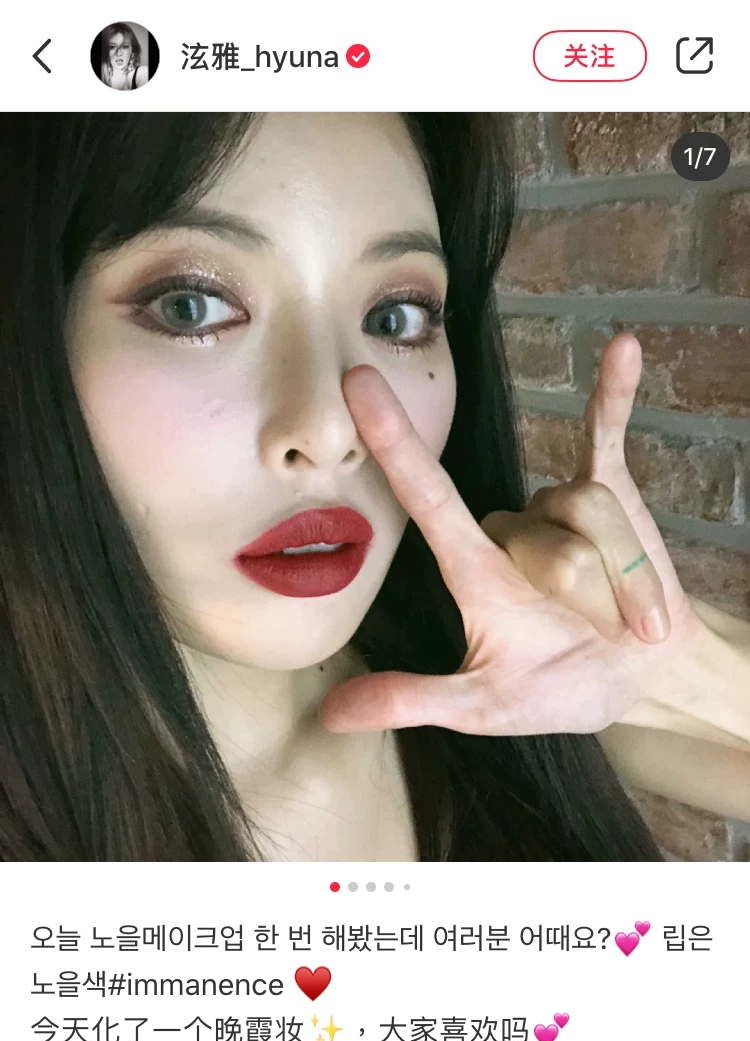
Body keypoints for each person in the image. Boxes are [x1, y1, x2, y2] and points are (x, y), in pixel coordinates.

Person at [0, 112, 748, 863]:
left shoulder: (514, 681)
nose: (333, 432)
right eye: (189, 305)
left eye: (396, 316)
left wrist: (690, 674)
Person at [100, 23, 147, 91]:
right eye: (112, 47)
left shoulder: (143, 73)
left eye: (125, 46)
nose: (119, 53)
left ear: (132, 50)